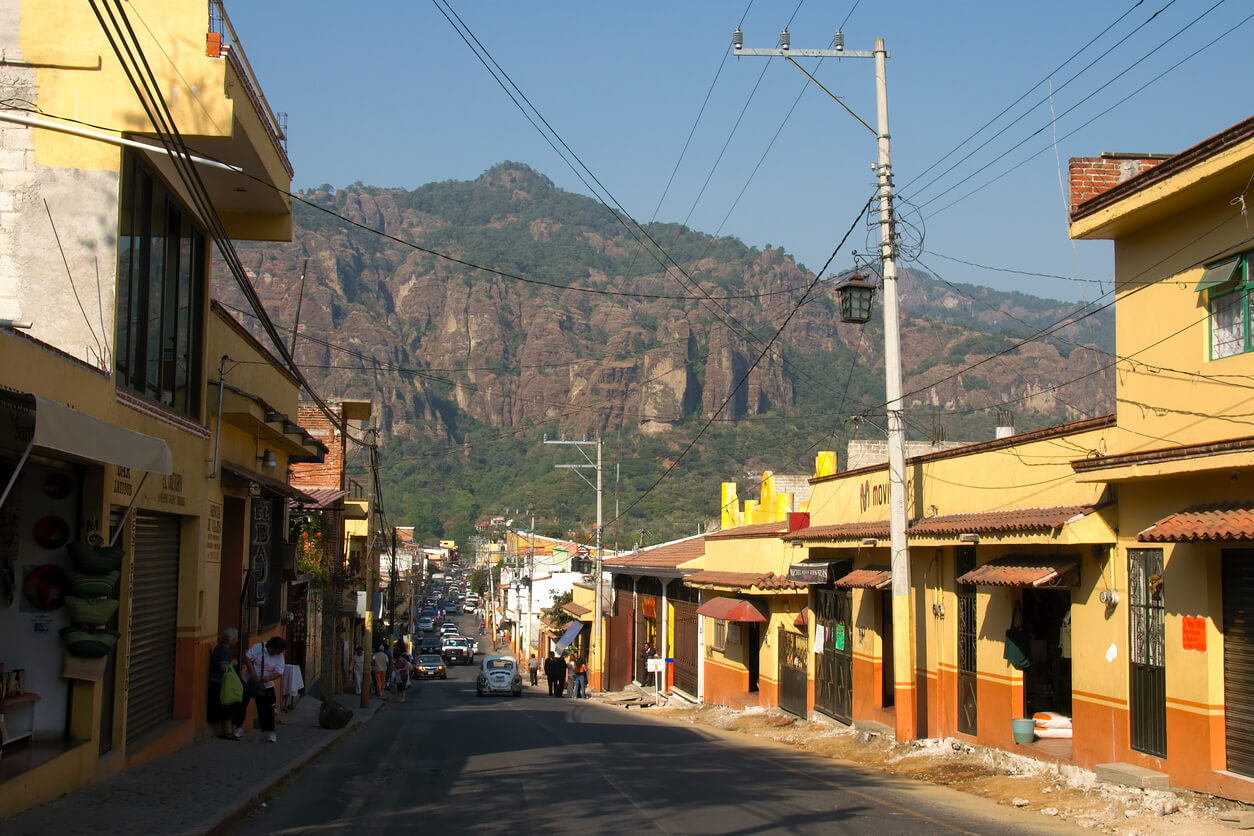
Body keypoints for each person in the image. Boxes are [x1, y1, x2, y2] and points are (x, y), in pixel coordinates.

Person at [243, 636, 286, 743]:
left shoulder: (279, 657)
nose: (276, 654)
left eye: (278, 652)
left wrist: (269, 678)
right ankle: (238, 727)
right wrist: (252, 672)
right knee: (242, 703)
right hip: (249, 681)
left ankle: (271, 732)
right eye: (275, 651)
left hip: (266, 685)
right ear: (271, 646)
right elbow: (248, 657)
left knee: (268, 709)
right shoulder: (259, 647)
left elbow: (279, 672)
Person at [208, 627, 244, 739]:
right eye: (236, 637)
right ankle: (228, 732)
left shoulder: (220, 648)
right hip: (221, 683)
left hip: (218, 682)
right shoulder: (223, 650)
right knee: (227, 706)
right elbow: (223, 667)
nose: (237, 639)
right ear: (230, 638)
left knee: (227, 706)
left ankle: (227, 731)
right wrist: (233, 663)